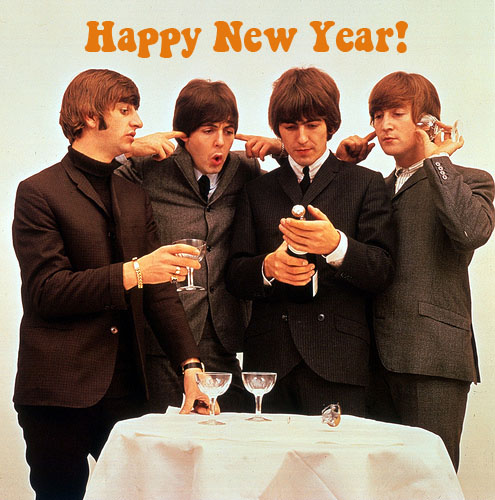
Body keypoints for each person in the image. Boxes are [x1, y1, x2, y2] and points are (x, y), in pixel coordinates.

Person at [12, 69, 212, 500]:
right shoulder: (37, 192)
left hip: (128, 393)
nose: (137, 121)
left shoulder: (134, 195)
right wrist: (135, 271)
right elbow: (47, 291)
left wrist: (190, 366)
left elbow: (160, 291)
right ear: (89, 116)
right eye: (124, 110)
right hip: (57, 395)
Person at [345, 71, 494, 471]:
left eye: (396, 113)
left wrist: (438, 159)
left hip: (432, 358)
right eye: (377, 116)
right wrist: (342, 167)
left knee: (430, 481)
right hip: (370, 360)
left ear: (426, 121)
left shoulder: (469, 180)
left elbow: (471, 232)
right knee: (376, 484)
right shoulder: (374, 187)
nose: (384, 125)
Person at [225, 67, 395, 417]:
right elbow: (234, 274)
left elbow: (382, 270)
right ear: (277, 130)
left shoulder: (366, 183)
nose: (302, 138)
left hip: (339, 362)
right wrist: (267, 267)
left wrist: (336, 246)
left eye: (313, 125)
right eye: (290, 127)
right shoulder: (256, 190)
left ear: (331, 126)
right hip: (269, 365)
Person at [117, 79, 264, 412]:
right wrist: (129, 150)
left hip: (223, 338)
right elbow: (93, 180)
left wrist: (281, 150)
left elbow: (295, 183)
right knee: (168, 437)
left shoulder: (246, 169)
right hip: (164, 340)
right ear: (183, 135)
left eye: (229, 131)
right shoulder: (149, 168)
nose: (220, 141)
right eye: (208, 131)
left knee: (228, 434)